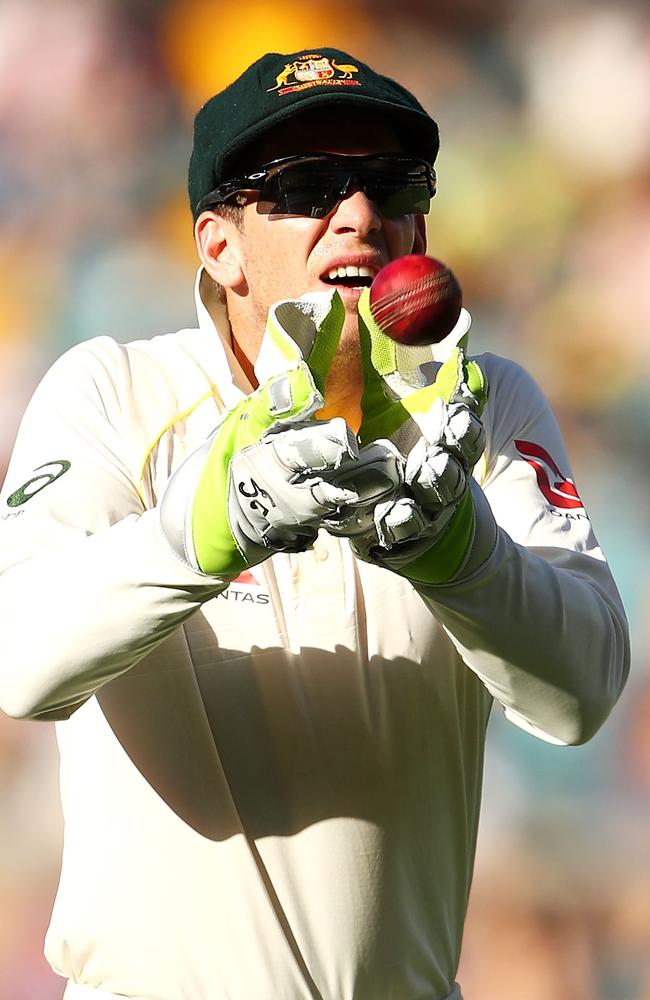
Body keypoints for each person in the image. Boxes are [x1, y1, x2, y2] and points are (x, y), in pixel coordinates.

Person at [0, 47, 630, 1000]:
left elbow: (582, 694)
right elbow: (20, 661)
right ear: (218, 246)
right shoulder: (116, 393)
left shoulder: (485, 404)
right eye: (306, 186)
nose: (360, 216)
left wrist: (461, 555)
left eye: (389, 184)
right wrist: (215, 524)